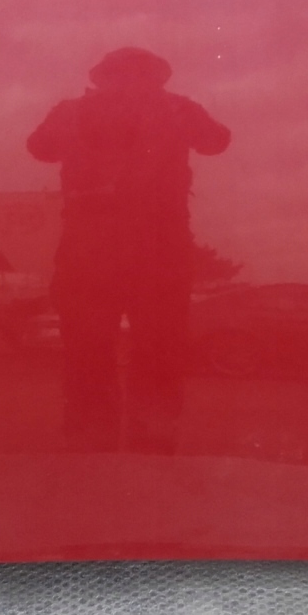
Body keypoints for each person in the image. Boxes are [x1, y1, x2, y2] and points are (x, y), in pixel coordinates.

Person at [27, 47, 231, 448]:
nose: (131, 83)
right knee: (155, 346)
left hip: (93, 251)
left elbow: (39, 148)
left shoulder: (72, 111)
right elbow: (216, 141)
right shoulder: (176, 108)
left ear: (101, 76)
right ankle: (148, 440)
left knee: (89, 347)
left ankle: (94, 439)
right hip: (155, 251)